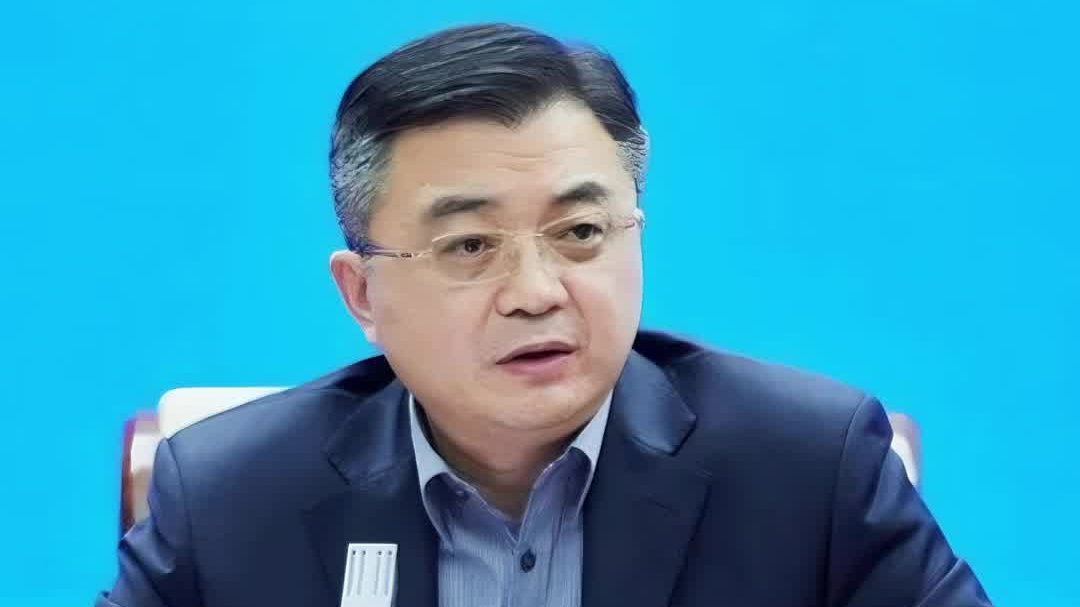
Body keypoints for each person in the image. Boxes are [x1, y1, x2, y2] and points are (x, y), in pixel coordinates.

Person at [97, 23, 991, 607]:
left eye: (581, 232)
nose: (536, 290)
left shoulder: (808, 468)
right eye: (470, 245)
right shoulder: (230, 497)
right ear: (363, 294)